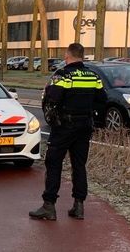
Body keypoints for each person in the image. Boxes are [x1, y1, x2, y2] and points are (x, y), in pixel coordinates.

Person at [29, 43, 107, 221]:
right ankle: (79, 205)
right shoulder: (93, 76)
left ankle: (49, 206)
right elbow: (102, 99)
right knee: (79, 165)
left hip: (65, 126)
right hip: (85, 125)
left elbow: (52, 98)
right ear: (82, 56)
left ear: (67, 55)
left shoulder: (63, 75)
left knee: (53, 162)